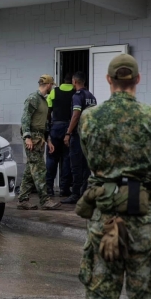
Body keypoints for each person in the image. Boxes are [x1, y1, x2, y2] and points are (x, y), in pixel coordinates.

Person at [76, 54, 151, 299]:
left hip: (105, 220)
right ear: (137, 80)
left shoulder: (90, 117)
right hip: (145, 219)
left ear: (108, 81)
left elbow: (90, 159)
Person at [16, 74, 62, 210]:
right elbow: (25, 118)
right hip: (33, 138)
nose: (51, 89)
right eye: (51, 86)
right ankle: (45, 200)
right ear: (48, 85)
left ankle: (23, 199)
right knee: (40, 169)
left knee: (31, 170)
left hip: (40, 137)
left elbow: (45, 123)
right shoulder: (33, 98)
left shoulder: (44, 100)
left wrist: (49, 140)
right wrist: (27, 137)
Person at [61, 71, 97, 205]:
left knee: (76, 165)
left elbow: (76, 114)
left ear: (74, 82)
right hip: (89, 136)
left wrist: (68, 133)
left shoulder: (77, 96)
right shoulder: (91, 96)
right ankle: (84, 192)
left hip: (78, 136)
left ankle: (75, 193)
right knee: (86, 166)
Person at [46, 72, 75, 197]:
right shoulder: (75, 93)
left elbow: (48, 109)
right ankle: (64, 188)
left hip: (56, 126)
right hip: (69, 128)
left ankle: (49, 188)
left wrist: (48, 125)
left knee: (52, 158)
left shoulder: (54, 91)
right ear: (73, 82)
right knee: (67, 159)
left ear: (63, 81)